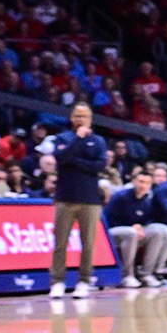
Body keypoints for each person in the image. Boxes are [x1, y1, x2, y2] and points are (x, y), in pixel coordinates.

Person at [47, 104, 109, 298]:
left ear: (90, 119)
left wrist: (76, 162)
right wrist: (78, 139)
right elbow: (61, 158)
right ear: (72, 118)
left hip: (90, 199)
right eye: (77, 116)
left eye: (84, 116)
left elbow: (100, 165)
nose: (80, 119)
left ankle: (84, 281)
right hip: (65, 197)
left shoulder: (98, 141)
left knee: (88, 243)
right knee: (60, 243)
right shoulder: (62, 137)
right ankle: (57, 281)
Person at [104, 169, 167, 287]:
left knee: (157, 233)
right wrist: (132, 227)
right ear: (134, 182)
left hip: (133, 232)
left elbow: (149, 219)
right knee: (131, 233)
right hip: (112, 233)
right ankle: (127, 275)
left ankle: (146, 274)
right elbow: (108, 220)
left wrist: (141, 226)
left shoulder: (148, 199)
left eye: (147, 183)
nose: (143, 185)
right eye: (140, 181)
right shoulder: (120, 197)